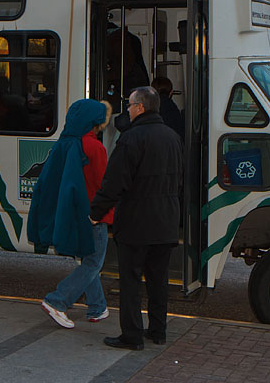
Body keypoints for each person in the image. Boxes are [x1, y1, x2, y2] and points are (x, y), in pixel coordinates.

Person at [90, 86, 183, 351]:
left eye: (130, 105)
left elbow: (114, 182)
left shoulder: (130, 138)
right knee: (158, 281)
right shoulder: (172, 137)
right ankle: (157, 330)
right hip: (165, 221)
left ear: (140, 107)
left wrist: (96, 212)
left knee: (131, 281)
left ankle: (131, 335)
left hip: (136, 223)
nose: (127, 110)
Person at [28, 99, 114, 329]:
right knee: (94, 263)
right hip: (93, 213)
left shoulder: (64, 144)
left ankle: (97, 307)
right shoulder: (95, 147)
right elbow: (102, 185)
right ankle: (57, 300)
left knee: (88, 260)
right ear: (96, 122)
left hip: (73, 212)